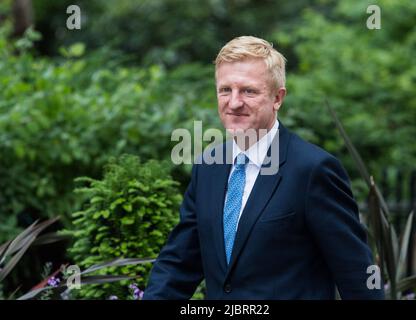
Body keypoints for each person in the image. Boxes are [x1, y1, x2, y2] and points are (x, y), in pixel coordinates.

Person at [143, 36, 384, 300]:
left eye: (248, 91)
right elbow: (179, 264)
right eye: (225, 90)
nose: (234, 103)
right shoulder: (207, 166)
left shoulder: (313, 170)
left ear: (277, 98)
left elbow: (357, 277)